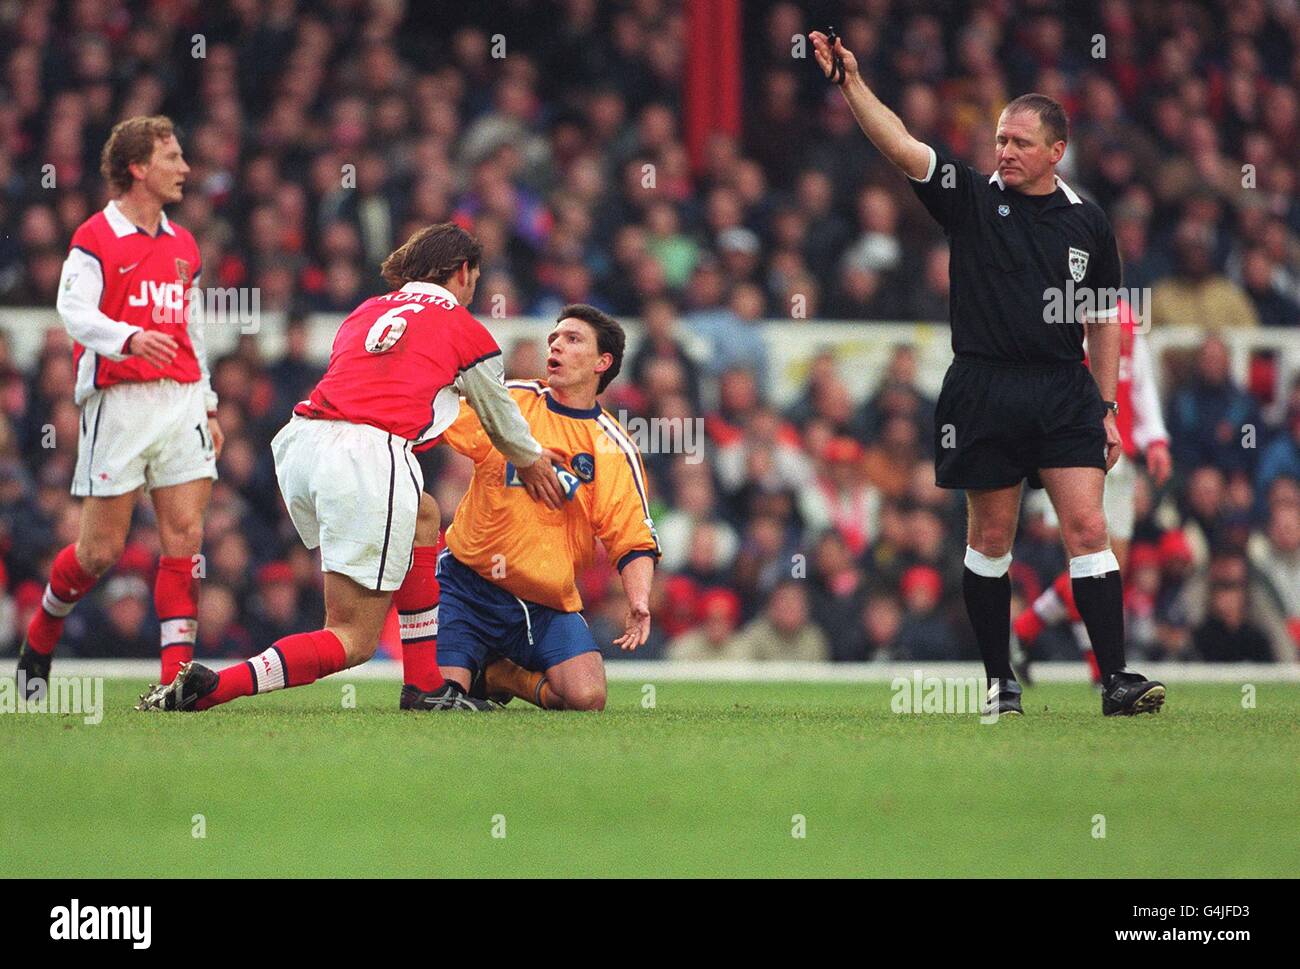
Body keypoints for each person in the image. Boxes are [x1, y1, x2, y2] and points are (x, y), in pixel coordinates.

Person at [811, 30, 1164, 716]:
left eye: (1019, 142)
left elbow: (1102, 322)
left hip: (1064, 388)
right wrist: (851, 82)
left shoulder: (1088, 224)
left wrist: (1108, 406)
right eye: (1000, 138)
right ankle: (1000, 681)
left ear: (1055, 151)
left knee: (1088, 529)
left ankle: (1116, 680)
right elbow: (901, 145)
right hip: (985, 385)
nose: (1003, 151)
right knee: (990, 538)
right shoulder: (971, 198)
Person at [138, 222, 565, 713]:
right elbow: (502, 419)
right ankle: (217, 686)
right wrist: (532, 464)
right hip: (365, 456)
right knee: (352, 638)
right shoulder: (466, 330)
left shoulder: (367, 310)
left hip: (305, 442)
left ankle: (424, 684)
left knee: (424, 515)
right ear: (463, 272)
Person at [17, 116, 222, 697]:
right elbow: (73, 310)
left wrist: (207, 403)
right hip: (119, 401)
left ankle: (173, 684)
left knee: (184, 537)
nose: (184, 168)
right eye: (172, 157)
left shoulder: (184, 244)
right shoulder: (94, 237)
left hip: (181, 400)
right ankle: (46, 626)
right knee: (99, 553)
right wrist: (129, 338)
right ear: (138, 167)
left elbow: (193, 330)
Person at [432, 304, 660, 711]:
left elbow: (632, 535)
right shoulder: (511, 402)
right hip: (468, 587)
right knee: (440, 698)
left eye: (573, 339)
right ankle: (471, 666)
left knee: (587, 697)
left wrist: (639, 599)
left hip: (544, 603)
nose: (556, 344)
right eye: (554, 337)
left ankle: (502, 674)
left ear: (601, 362)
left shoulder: (611, 443)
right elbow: (438, 412)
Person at [1012, 298, 1173, 683]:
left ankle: (1026, 630)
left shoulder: (1125, 318)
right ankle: (1101, 670)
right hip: (1071, 452)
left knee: (1109, 568)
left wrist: (1155, 439)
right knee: (1091, 563)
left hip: (1119, 453)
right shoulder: (1057, 308)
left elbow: (1141, 382)